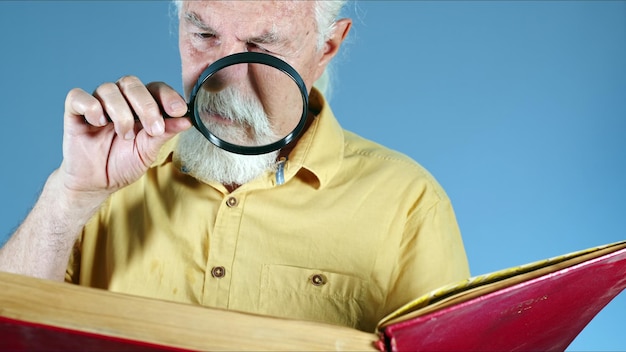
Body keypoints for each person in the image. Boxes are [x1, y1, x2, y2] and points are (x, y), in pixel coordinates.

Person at [0, 1, 469, 332]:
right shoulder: (109, 175)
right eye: (203, 34)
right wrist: (70, 197)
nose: (222, 78)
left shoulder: (409, 205)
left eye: (263, 46)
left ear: (326, 47)